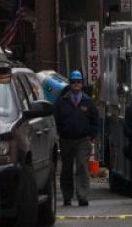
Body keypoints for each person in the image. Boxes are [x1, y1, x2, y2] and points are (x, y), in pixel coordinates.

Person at [53, 70, 99, 207]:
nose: (76, 84)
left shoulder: (88, 102)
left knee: (82, 166)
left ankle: (82, 196)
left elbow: (95, 120)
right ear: (70, 83)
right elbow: (55, 119)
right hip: (66, 140)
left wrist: (92, 137)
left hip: (83, 140)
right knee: (66, 169)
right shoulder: (62, 102)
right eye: (73, 82)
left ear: (82, 83)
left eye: (78, 82)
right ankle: (67, 196)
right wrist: (59, 135)